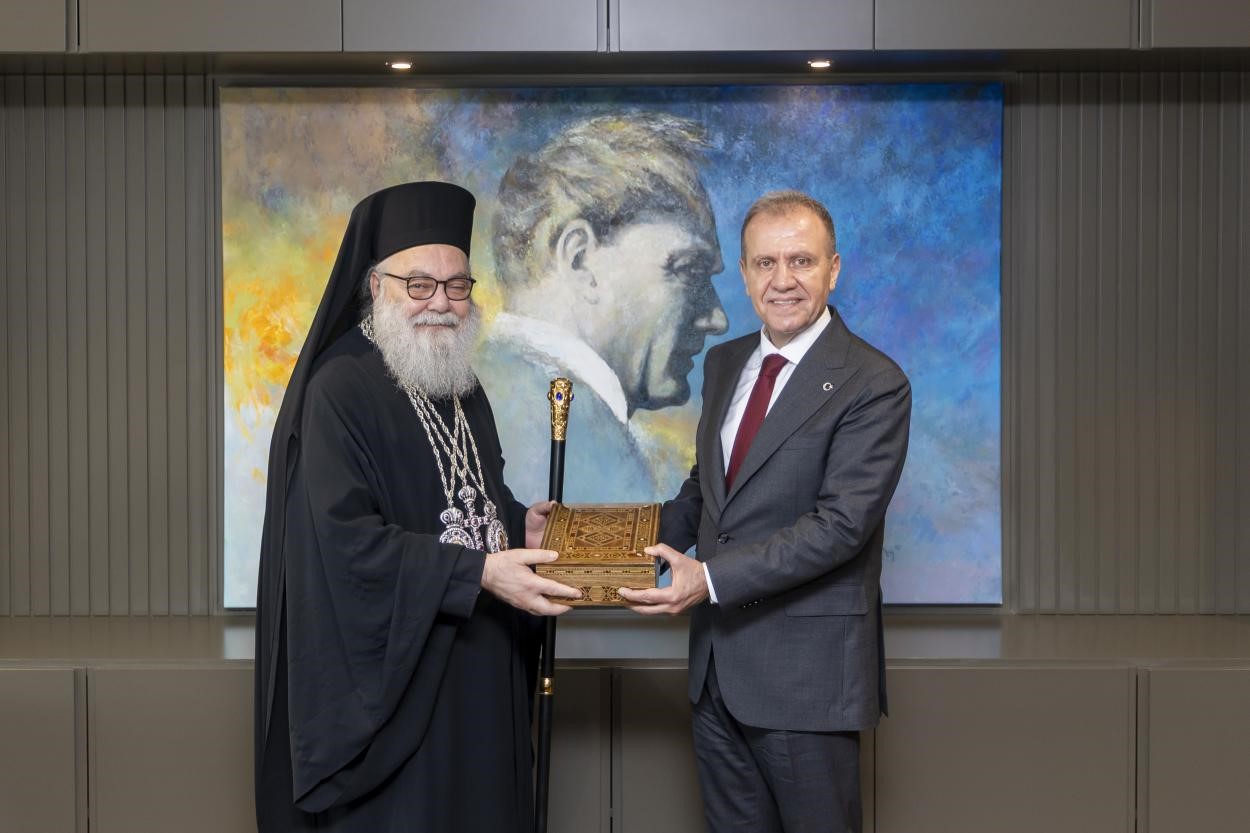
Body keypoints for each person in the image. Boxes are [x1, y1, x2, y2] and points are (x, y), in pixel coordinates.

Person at [253, 181, 581, 832]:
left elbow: (467, 498)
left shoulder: (459, 383)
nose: (441, 303)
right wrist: (479, 571)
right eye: (420, 284)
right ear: (377, 286)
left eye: (457, 286)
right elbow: (345, 544)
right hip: (402, 697)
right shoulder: (339, 388)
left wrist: (518, 523)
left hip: (482, 669)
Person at [619, 191, 912, 833]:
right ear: (746, 274)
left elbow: (840, 527)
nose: (783, 280)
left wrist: (708, 580)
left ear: (833, 269)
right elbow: (708, 492)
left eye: (801, 261)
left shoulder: (874, 382)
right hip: (716, 673)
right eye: (765, 263)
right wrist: (596, 546)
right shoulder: (725, 363)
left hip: (806, 678)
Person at [476, 112, 729, 504]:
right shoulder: (563, 432)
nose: (717, 319)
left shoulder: (493, 394)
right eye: (688, 269)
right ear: (580, 258)